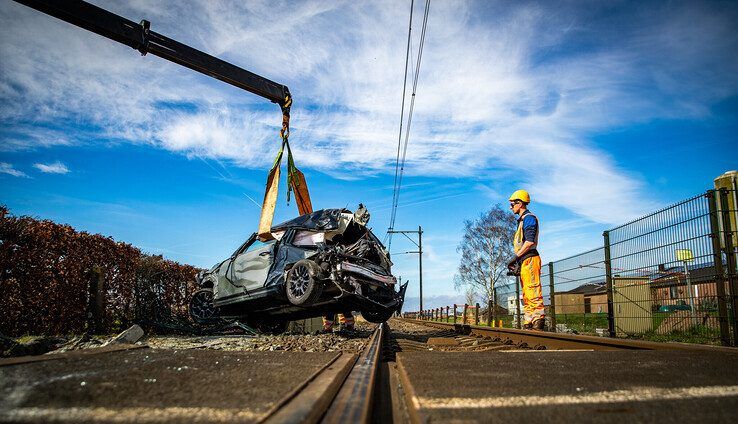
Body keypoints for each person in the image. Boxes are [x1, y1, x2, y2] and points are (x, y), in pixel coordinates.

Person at [507, 189, 545, 331]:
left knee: (533, 290)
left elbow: (529, 242)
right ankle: (529, 320)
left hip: (530, 259)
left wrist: (515, 257)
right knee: (527, 293)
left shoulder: (529, 218)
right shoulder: (523, 220)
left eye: (512, 204)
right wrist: (518, 260)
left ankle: (538, 319)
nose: (511, 207)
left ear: (520, 203)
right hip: (525, 260)